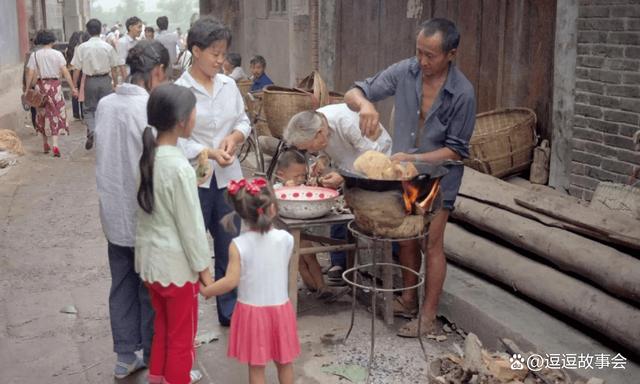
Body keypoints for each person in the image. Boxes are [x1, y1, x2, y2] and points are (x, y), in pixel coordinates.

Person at [344, 18, 476, 337]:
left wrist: (415, 158)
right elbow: (355, 91)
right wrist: (364, 106)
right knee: (406, 236)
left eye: (430, 55)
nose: (423, 61)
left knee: (431, 242)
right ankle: (408, 300)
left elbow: (457, 151)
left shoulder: (463, 93)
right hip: (403, 176)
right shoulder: (406, 71)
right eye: (419, 52)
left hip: (439, 178)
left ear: (451, 54)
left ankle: (428, 317)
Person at [94, 40, 169, 379]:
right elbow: (158, 164)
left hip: (113, 213)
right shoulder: (151, 109)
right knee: (149, 287)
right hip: (145, 214)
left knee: (122, 283)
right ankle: (154, 355)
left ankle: (126, 356)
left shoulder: (107, 105)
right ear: (156, 73)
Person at [175, 17, 251, 327]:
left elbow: (243, 121)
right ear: (196, 50)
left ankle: (229, 311)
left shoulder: (229, 84)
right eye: (215, 54)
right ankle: (184, 315)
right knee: (190, 249)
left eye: (224, 54)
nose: (221, 60)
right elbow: (176, 140)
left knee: (229, 245)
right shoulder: (180, 91)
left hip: (229, 181)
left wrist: (234, 138)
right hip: (196, 181)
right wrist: (207, 152)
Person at [135, 84, 211, 384]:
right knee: (182, 339)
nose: (196, 117)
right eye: (194, 112)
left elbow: (158, 205)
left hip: (152, 264)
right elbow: (191, 228)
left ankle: (158, 378)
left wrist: (196, 175)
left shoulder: (150, 159)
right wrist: (205, 271)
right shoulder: (177, 167)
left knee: (163, 330)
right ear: (182, 120)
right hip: (177, 268)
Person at [200, 177, 300, 384]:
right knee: (285, 363)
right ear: (272, 208)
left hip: (252, 314)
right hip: (280, 311)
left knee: (256, 368)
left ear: (242, 214)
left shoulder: (238, 245)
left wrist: (208, 289)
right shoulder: (286, 239)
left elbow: (230, 281)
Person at [23, 29, 78, 157]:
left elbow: (30, 73)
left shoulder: (35, 55)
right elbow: (65, 73)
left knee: (41, 114)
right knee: (55, 114)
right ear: (52, 41)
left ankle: (45, 143)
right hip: (55, 87)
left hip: (40, 87)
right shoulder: (57, 54)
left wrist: (27, 89)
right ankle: (55, 145)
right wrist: (73, 87)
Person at [71, 18, 120, 150]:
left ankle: (92, 130)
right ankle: (105, 135)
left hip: (90, 81)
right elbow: (114, 68)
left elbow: (76, 69)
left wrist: (74, 86)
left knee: (88, 110)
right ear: (100, 30)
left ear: (87, 30)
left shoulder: (82, 48)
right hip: (105, 81)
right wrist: (115, 83)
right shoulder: (108, 47)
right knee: (106, 108)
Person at [65, 31, 89, 120]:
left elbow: (67, 61)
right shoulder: (80, 48)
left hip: (71, 71)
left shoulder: (68, 48)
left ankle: (76, 113)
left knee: (74, 91)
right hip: (81, 71)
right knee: (82, 91)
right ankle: (83, 112)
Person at [117, 16, 142, 82]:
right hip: (128, 77)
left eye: (141, 27)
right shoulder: (122, 42)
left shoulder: (138, 42)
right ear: (130, 27)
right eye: (139, 27)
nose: (141, 30)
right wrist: (127, 81)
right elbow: (121, 64)